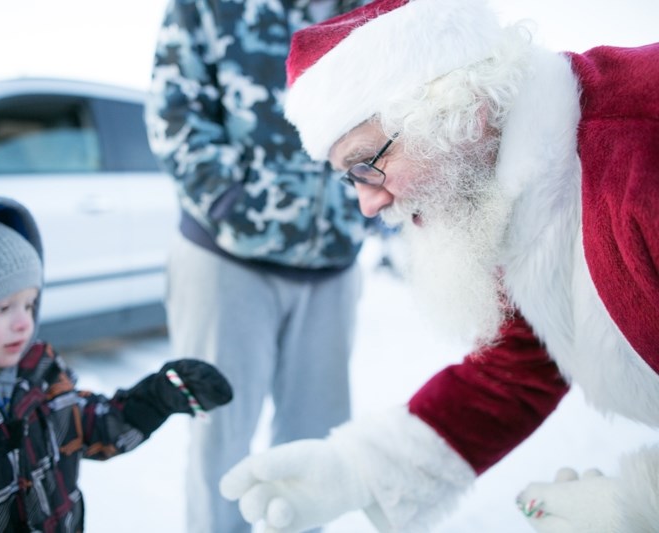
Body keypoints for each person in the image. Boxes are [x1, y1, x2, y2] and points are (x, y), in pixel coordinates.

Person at [218, 0, 659, 531]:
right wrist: (361, 468)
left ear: (457, 110)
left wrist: (642, 505)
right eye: (348, 177)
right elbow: (523, 360)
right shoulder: (510, 182)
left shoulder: (638, 149)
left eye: (366, 164)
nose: (367, 204)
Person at [0, 183, 233, 531]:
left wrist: (157, 396)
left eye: (30, 303)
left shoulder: (38, 376)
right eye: (2, 307)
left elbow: (91, 429)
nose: (24, 322)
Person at [144, 1, 375, 531]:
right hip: (226, 261)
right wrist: (230, 203)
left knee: (316, 443)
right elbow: (173, 109)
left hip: (332, 266)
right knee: (219, 440)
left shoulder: (372, 10)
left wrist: (364, 212)